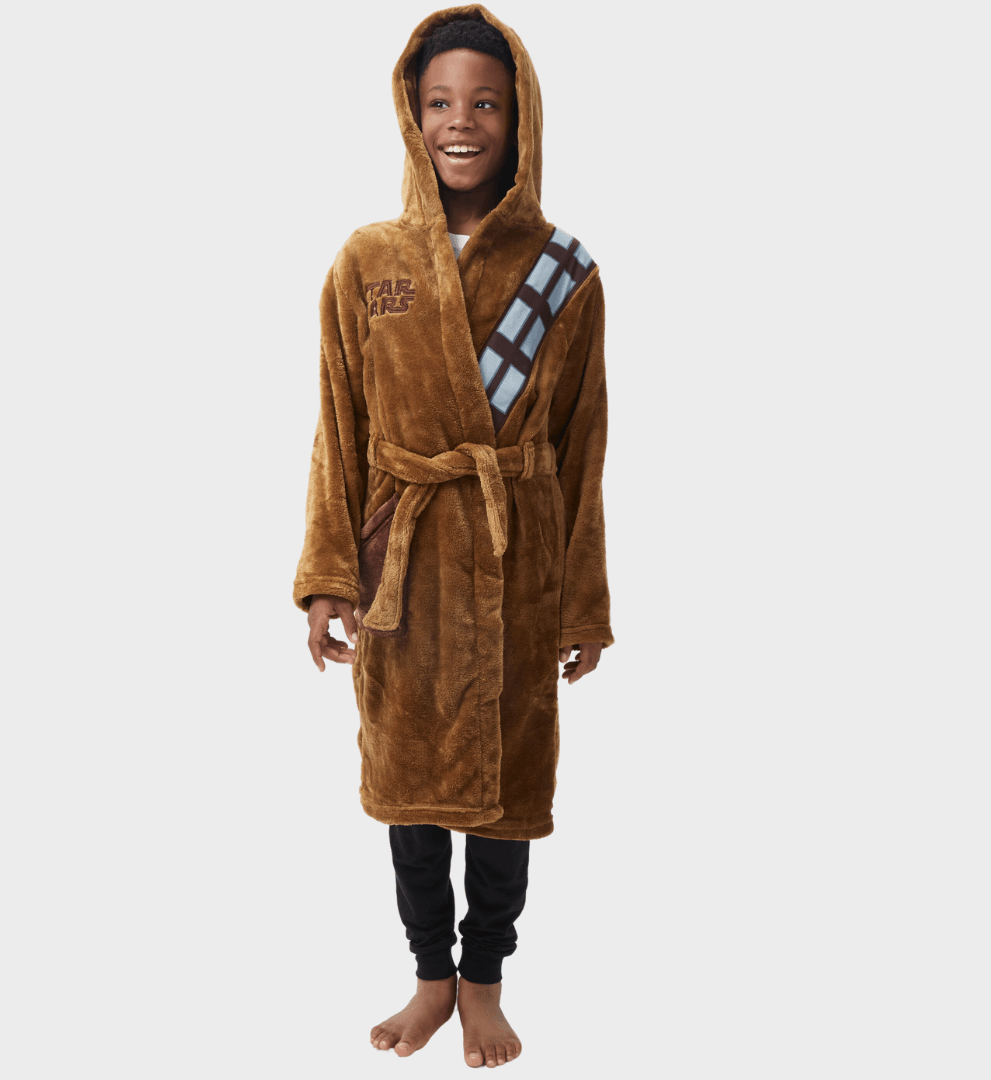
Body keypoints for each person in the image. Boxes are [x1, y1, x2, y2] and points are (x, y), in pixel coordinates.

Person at [292, 5, 614, 1068]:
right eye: (439, 102)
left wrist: (582, 600)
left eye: (485, 102)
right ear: (411, 114)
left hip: (518, 562)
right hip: (406, 562)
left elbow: (583, 443)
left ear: (521, 118)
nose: (460, 122)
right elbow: (340, 428)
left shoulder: (566, 270)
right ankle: (431, 976)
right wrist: (328, 577)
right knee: (411, 782)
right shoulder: (366, 261)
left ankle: (485, 983)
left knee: (508, 790)